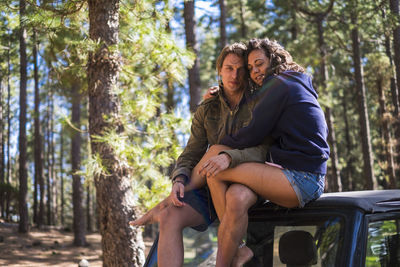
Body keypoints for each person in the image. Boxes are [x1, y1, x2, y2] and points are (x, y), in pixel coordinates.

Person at [129, 43, 270, 267]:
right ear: (219, 71)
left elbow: (265, 149)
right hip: (211, 183)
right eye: (229, 68)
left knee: (231, 186)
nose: (234, 75)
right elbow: (192, 150)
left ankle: (239, 248)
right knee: (169, 216)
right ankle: (168, 204)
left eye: (241, 69)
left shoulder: (260, 102)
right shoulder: (208, 108)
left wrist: (230, 158)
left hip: (247, 178)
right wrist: (179, 178)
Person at [198, 38, 330, 267]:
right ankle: (238, 252)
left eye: (259, 63)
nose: (255, 71)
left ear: (274, 58)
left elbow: (253, 132)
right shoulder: (291, 83)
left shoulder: (281, 84)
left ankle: (236, 252)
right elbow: (258, 106)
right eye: (250, 68)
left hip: (301, 178)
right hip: (296, 174)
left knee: (215, 166)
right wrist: (220, 94)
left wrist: (222, 150)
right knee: (236, 196)